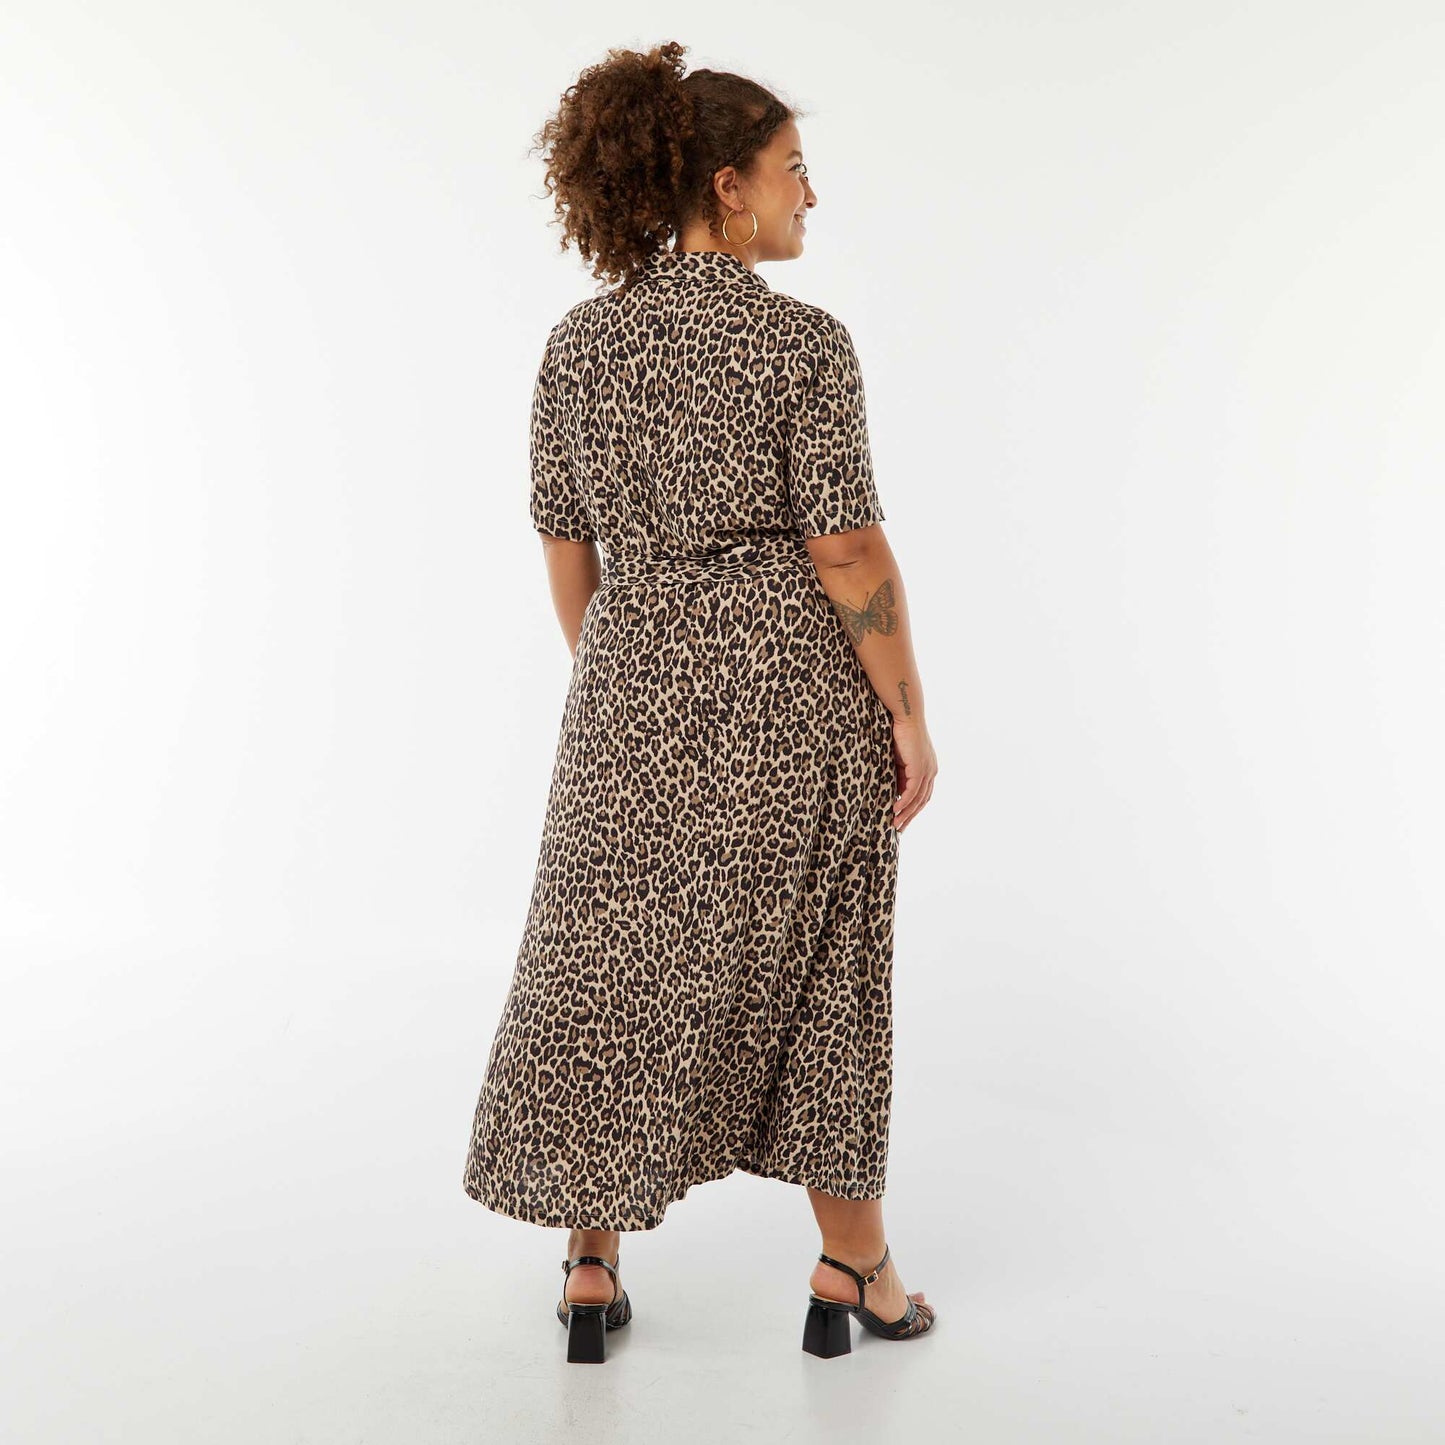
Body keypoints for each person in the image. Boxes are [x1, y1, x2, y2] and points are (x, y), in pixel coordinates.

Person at [461, 41, 939, 1363]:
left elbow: (566, 546)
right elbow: (847, 550)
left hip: (624, 694)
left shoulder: (578, 343)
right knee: (821, 965)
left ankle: (589, 1264)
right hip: (793, 697)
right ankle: (853, 1265)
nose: (809, 195)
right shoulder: (802, 343)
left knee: (604, 962)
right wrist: (906, 713)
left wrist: (629, 676)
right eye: (793, 169)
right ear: (727, 186)